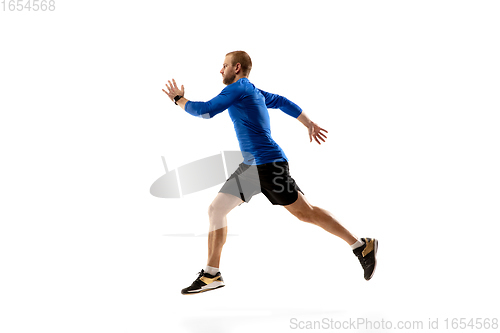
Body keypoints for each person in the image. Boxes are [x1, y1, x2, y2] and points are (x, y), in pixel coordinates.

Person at [162, 51, 378, 295]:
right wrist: (307, 122)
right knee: (216, 209)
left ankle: (361, 245)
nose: (220, 70)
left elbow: (205, 111)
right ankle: (212, 274)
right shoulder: (252, 91)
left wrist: (178, 99)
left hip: (268, 165)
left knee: (306, 214)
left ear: (237, 67)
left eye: (224, 65)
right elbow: (283, 101)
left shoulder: (238, 88)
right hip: (252, 167)